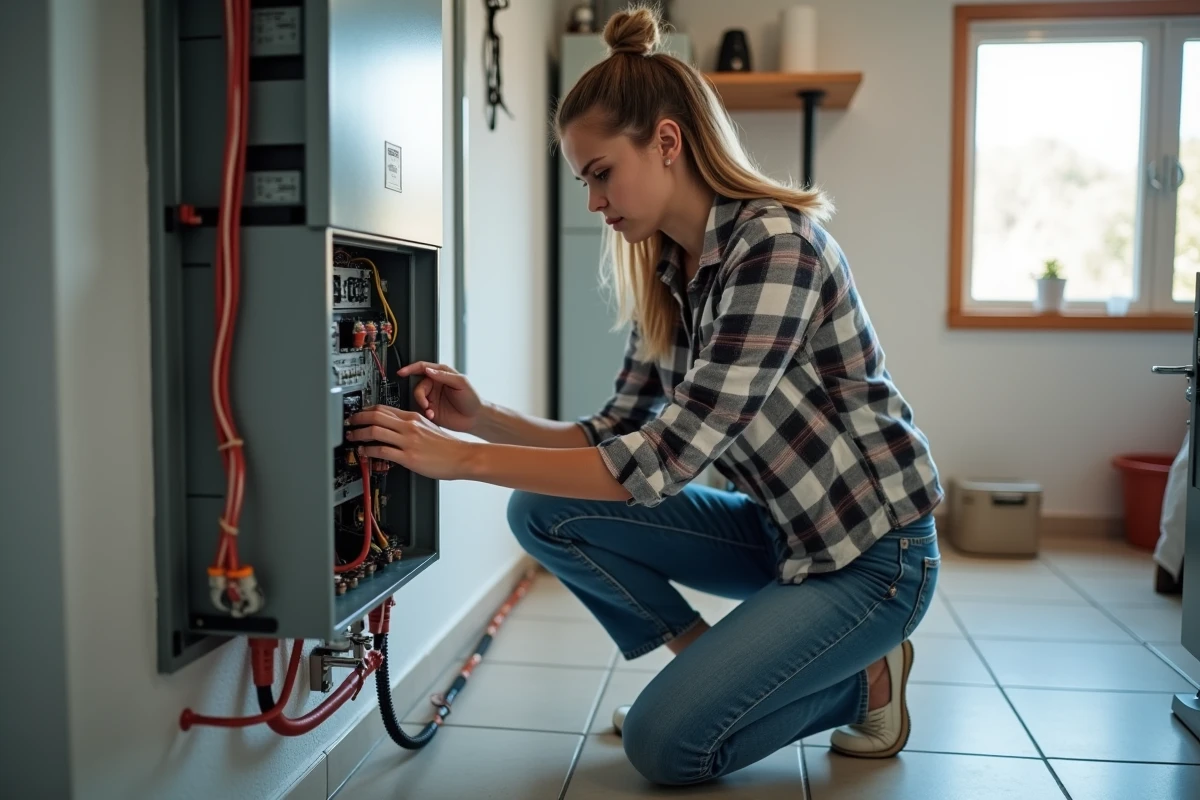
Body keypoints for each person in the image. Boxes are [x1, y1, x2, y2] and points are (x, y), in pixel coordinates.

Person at [348, 4, 944, 787]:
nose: (593, 202)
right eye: (583, 180)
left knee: (667, 748)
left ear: (667, 141)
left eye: (600, 173)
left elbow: (661, 460)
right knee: (538, 507)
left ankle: (865, 678)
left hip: (873, 558)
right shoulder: (672, 272)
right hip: (783, 535)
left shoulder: (777, 248)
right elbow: (618, 431)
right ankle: (709, 678)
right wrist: (483, 416)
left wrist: (464, 459)